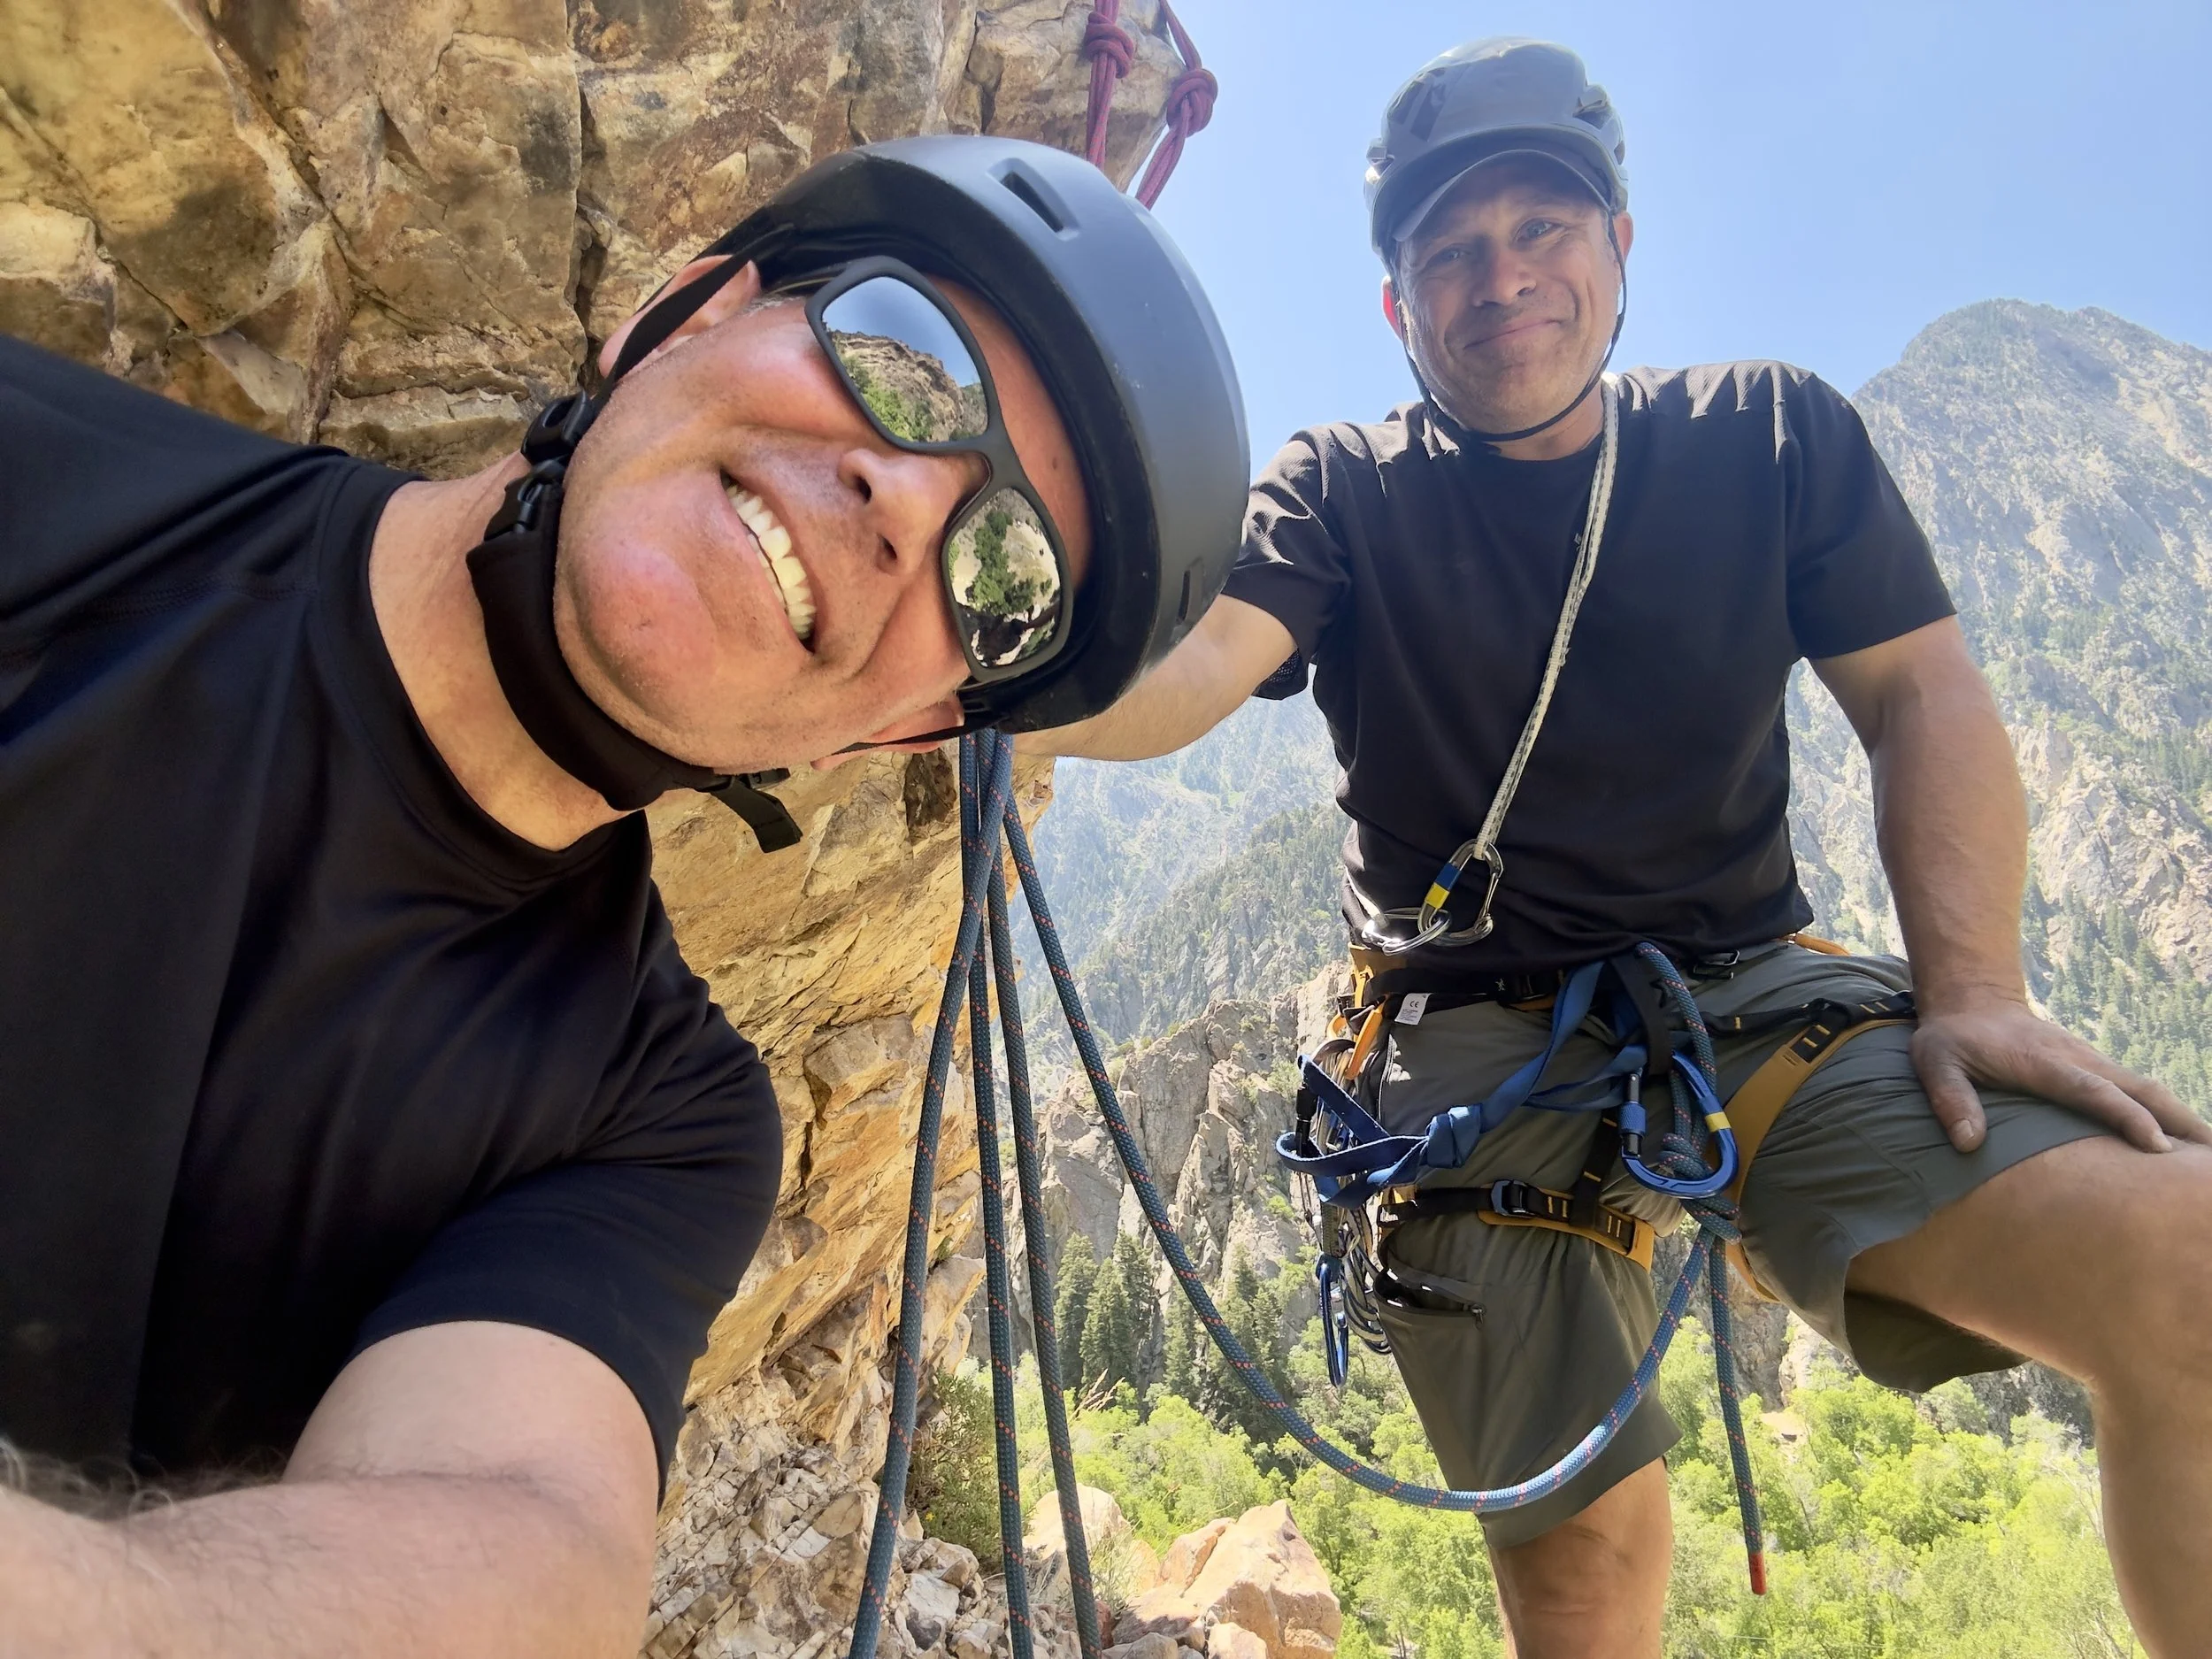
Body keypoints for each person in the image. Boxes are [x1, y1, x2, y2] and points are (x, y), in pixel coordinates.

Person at [1022, 39, 2212, 1659]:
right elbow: (1203, 662)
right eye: (1449, 253)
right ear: (1398, 306)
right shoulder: (1344, 492)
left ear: (1621, 242)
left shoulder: (1770, 438)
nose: (1500, 278)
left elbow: (1921, 691)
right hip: (1461, 1027)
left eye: (1541, 229)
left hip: (1750, 992)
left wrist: (1977, 982)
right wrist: (995, 693)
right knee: (1586, 1569)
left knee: (2190, 1276)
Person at [0, 135, 1246, 1655]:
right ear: (685, 308)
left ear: (907, 727)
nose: (906, 500)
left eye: (1008, 575)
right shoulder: (39, 481)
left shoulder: (657, 1124)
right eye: (901, 350)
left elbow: (530, 1531)